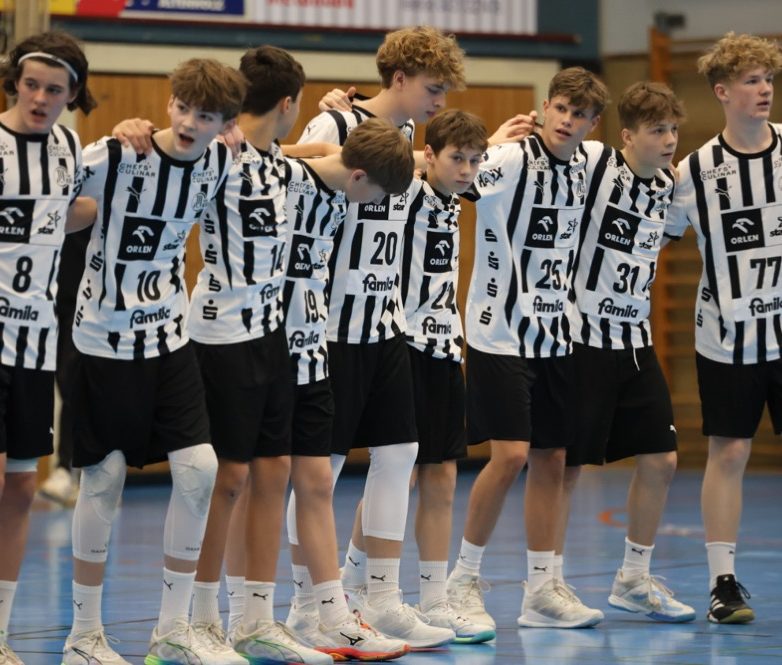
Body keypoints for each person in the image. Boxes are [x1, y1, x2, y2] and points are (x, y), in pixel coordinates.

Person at [62, 58, 246, 664]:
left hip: (169, 338)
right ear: (169, 104)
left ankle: (171, 632)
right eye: (184, 108)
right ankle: (83, 635)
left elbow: (291, 156)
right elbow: (53, 199)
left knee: (199, 470)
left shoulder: (221, 161)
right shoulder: (117, 155)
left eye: (207, 116)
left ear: (225, 123)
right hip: (102, 342)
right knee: (105, 478)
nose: (190, 123)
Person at [294, 25, 466, 648]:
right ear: (399, 78)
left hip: (386, 323)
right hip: (331, 328)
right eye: (433, 88)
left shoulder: (409, 132)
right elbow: (293, 184)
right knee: (323, 469)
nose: (439, 100)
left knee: (400, 454)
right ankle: (306, 608)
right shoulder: (334, 124)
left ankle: (383, 600)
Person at [446, 66, 608, 629]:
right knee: (511, 455)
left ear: (593, 124)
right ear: (545, 107)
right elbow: (450, 176)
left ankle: (541, 590)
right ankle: (462, 580)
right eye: (561, 108)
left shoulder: (591, 163)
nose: (567, 120)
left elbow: (648, 163)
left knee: (553, 458)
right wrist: (488, 144)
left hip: (557, 333)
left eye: (580, 114)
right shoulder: (511, 158)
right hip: (499, 332)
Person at [561, 81, 695, 622]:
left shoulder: (669, 184)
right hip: (581, 340)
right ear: (627, 136)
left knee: (662, 459)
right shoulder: (595, 164)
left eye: (674, 129)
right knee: (568, 466)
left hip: (635, 342)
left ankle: (633, 579)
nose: (670, 140)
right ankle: (547, 582)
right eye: (658, 130)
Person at [281, 117, 414, 661]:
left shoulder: (339, 190)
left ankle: (337, 608)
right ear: (359, 177)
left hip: (323, 342)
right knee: (255, 480)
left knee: (315, 478)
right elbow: (258, 156)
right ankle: (286, 611)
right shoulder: (295, 183)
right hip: (282, 346)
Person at [667, 32, 782, 624]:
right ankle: (722, 583)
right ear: (722, 92)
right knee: (731, 451)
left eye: (768, 80)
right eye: (751, 81)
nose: (764, 90)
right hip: (727, 335)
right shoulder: (694, 171)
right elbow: (654, 237)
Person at [0, 30, 94, 665]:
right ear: (15, 83)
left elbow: (73, 210)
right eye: (31, 85)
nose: (39, 98)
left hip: (34, 344)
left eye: (53, 89)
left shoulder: (67, 146)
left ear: (71, 95)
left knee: (20, 490)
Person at [397, 109, 496, 642]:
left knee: (442, 474)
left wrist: (494, 144)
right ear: (429, 155)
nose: (467, 169)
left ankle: (434, 600)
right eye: (457, 158)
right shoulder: (405, 192)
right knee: (398, 473)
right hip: (401, 346)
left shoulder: (458, 197)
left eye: (474, 160)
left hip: (444, 348)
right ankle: (362, 585)